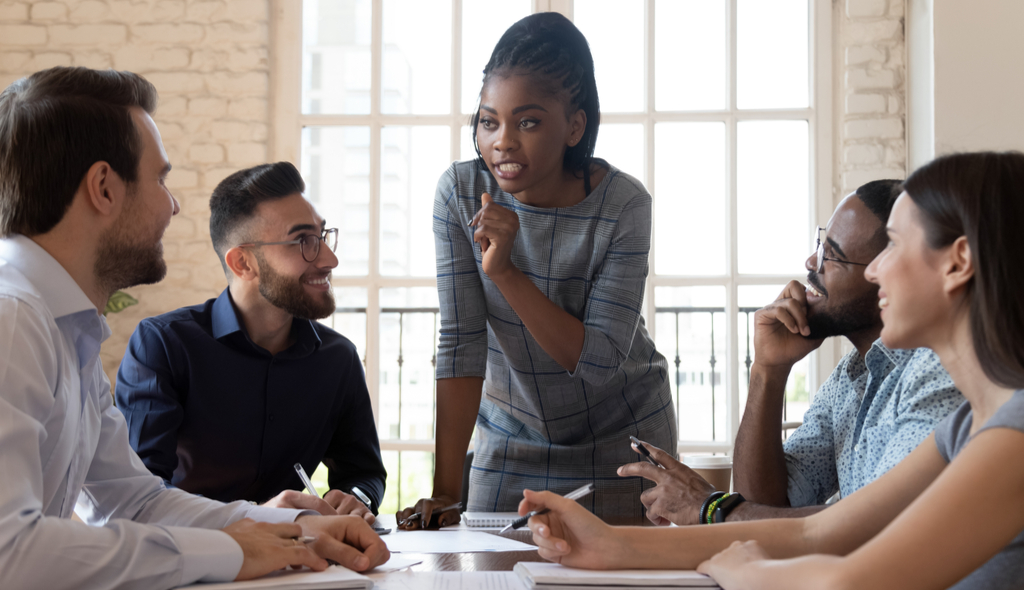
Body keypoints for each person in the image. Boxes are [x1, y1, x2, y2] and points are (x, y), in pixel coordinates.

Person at [520, 151, 1024, 590]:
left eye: (893, 244)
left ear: (958, 262)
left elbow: (849, 579)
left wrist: (741, 567)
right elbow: (819, 530)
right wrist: (607, 544)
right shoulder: (972, 426)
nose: (875, 270)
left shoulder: (1015, 433)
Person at [0, 67, 388, 590]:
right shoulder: (12, 318)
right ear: (104, 189)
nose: (173, 205)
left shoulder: (65, 328)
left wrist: (296, 525)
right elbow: (8, 553)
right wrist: (231, 549)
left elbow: (133, 500)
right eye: (160, 179)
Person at [397, 12, 675, 528]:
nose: (503, 140)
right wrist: (444, 490)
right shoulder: (458, 194)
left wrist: (505, 273)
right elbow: (460, 341)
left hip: (624, 435)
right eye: (488, 121)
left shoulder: (623, 204)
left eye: (527, 121)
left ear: (574, 126)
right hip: (510, 435)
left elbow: (596, 361)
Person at [620, 180, 963, 525]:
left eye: (834, 255)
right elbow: (768, 506)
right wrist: (768, 370)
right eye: (821, 244)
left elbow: (880, 529)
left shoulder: (940, 373)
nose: (812, 261)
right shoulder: (851, 375)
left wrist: (710, 506)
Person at [115, 162, 386, 522]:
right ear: (243, 262)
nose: (329, 259)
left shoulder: (338, 359)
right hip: (192, 562)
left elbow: (363, 473)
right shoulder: (164, 346)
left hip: (299, 567)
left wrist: (356, 497)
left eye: (322, 236)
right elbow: (140, 492)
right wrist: (254, 517)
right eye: (303, 241)